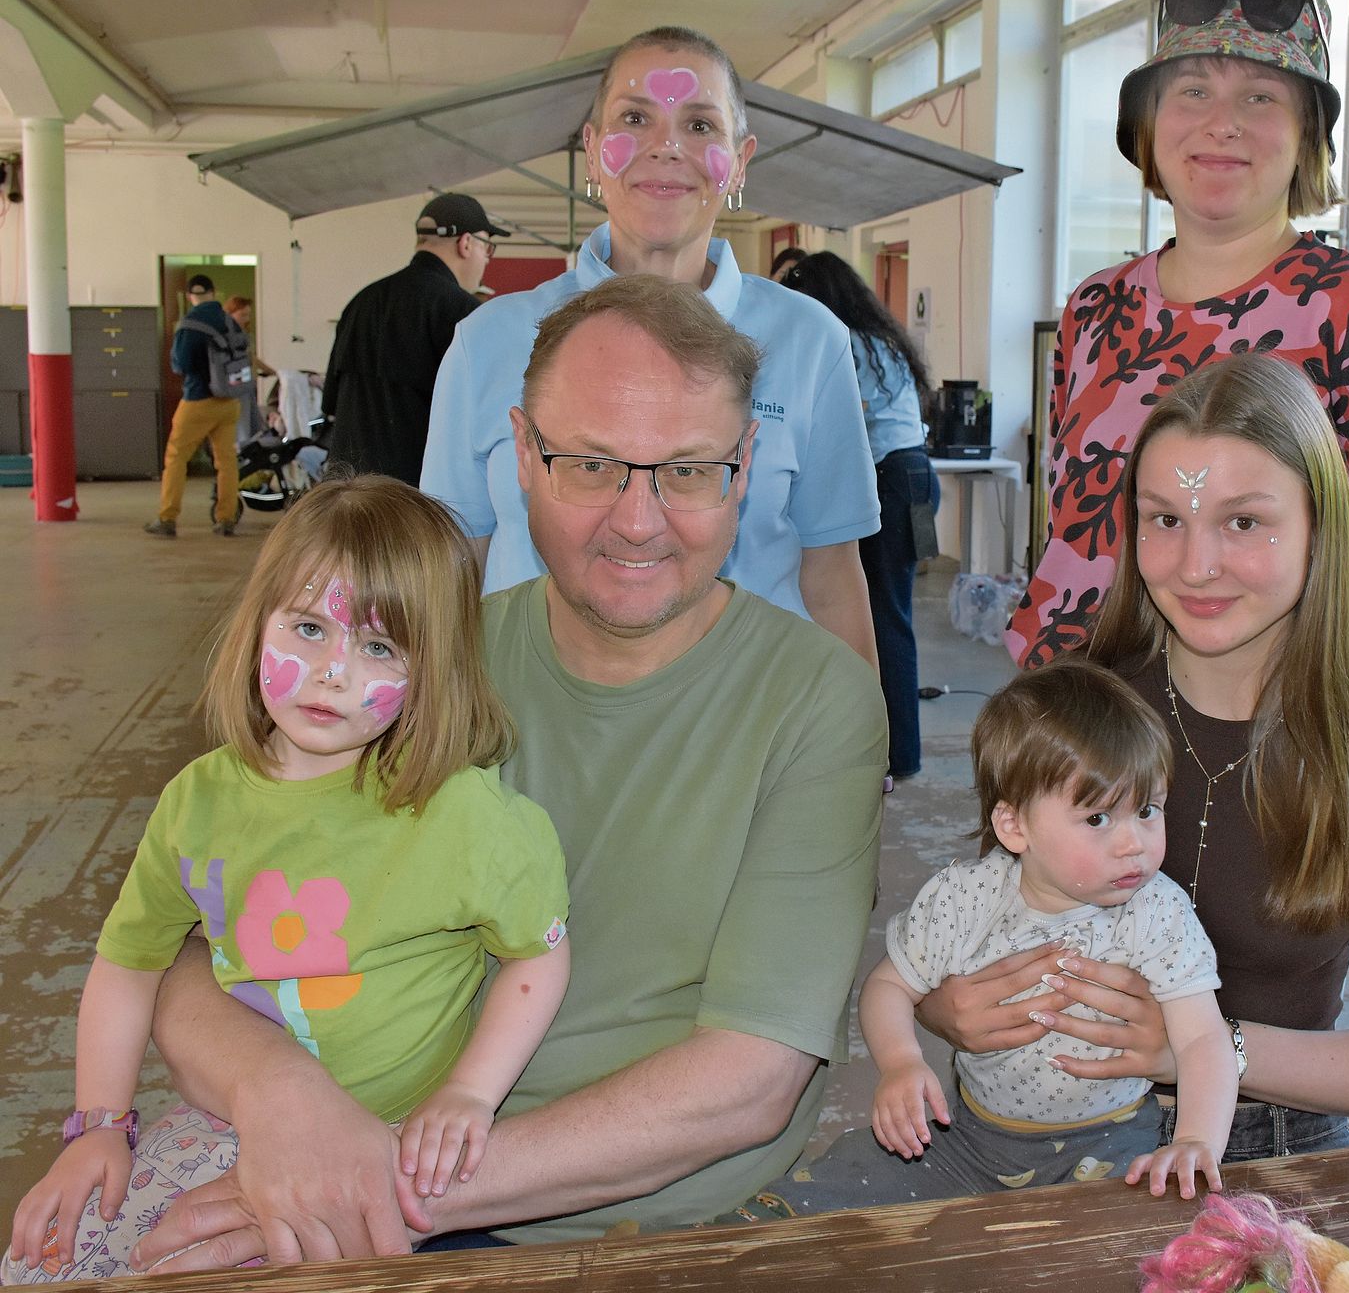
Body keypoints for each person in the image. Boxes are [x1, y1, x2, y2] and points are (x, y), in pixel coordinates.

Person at [123, 277, 886, 1270]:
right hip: (343, 1143)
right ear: (521, 457)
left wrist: (380, 1186)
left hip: (628, 1224)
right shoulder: (415, 665)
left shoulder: (813, 701)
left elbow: (750, 1081)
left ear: (744, 468)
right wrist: (281, 1096)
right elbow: (183, 956)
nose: (639, 521)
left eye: (688, 471)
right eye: (591, 464)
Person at [4, 477, 571, 1283]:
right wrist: (98, 1126)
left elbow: (538, 953)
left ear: (433, 670)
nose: (331, 673)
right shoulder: (197, 802)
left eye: (378, 647)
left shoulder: (468, 818)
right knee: (59, 1262)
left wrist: (471, 1095)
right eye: (308, 627)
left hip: (394, 1143)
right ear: (257, 621)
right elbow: (130, 965)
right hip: (227, 1117)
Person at [921, 355, 1349, 1167]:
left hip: (1274, 1136)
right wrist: (948, 1009)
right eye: (1164, 519)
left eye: (1244, 523)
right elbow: (975, 925)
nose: (1195, 566)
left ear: (1319, 527)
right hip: (1031, 1130)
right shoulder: (1076, 710)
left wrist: (1190, 1046)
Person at [1007, 0, 1349, 710]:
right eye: (1191, 90)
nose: (1220, 122)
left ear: (1305, 138)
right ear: (1148, 124)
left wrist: (1328, 746)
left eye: (1260, 97)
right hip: (1077, 725)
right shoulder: (1095, 308)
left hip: (1259, 737)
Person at [422, 26, 880, 669]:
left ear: (741, 160)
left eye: (699, 126)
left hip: (750, 727)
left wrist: (863, 750)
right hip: (527, 730)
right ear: (591, 150)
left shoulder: (810, 342)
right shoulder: (487, 343)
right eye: (635, 118)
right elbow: (453, 568)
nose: (666, 147)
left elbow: (832, 574)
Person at [765, 660, 1236, 1214]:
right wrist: (900, 1063)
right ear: (1015, 827)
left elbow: (1204, 1039)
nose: (1134, 843)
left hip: (1113, 1145)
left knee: (1135, 1242)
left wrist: (1194, 1141)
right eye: (1098, 819)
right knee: (834, 1190)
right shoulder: (964, 897)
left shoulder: (1158, 910)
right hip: (968, 1139)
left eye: (1148, 810)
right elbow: (889, 986)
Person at [782, 251, 939, 777]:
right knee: (896, 616)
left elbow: (841, 424)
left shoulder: (843, 343)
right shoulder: (885, 341)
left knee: (878, 620)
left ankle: (890, 753)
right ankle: (903, 750)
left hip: (890, 479)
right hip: (918, 476)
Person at [323, 193, 508, 485]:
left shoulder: (361, 303)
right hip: (417, 502)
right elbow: (487, 420)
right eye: (488, 246)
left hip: (348, 497)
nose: (486, 258)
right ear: (467, 243)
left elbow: (331, 402)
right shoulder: (463, 314)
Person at [144, 274, 242, 538]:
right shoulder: (229, 322)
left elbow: (180, 365)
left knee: (176, 458)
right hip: (229, 401)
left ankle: (167, 518)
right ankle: (226, 519)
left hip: (198, 400)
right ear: (214, 292)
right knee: (226, 462)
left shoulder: (189, 324)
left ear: (190, 296)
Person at [222, 297, 276, 444]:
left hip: (246, 386)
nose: (246, 319)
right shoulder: (224, 337)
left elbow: (251, 357)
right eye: (243, 315)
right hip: (233, 389)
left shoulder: (243, 335)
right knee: (240, 428)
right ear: (230, 314)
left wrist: (274, 372)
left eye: (248, 315)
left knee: (250, 424)